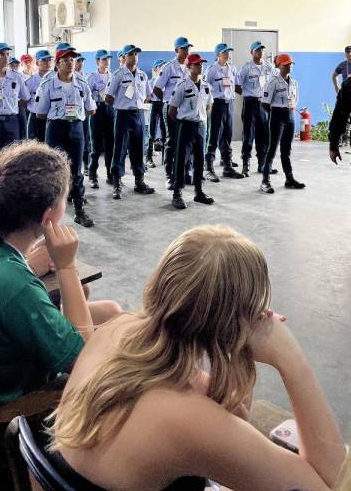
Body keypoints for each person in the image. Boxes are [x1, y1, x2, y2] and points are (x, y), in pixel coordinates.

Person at [48, 224, 345, 491]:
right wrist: (292, 361)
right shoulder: (194, 423)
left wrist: (235, 355)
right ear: (236, 322)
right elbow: (332, 482)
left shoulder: (120, 329)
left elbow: (231, 412)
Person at [0, 141, 120, 408]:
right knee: (121, 352)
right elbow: (83, 362)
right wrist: (66, 266)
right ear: (49, 214)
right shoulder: (15, 286)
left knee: (113, 312)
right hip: (17, 403)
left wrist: (30, 263)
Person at [36, 49, 96, 228]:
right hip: (56, 128)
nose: (71, 62)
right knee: (53, 169)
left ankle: (79, 210)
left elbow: (91, 109)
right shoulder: (48, 84)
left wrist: (76, 113)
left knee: (77, 170)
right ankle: (49, 213)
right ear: (57, 64)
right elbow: (40, 112)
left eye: (72, 59)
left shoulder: (82, 83)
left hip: (76, 128)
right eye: (66, 59)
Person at [106, 44, 154, 200]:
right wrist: (121, 104)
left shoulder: (142, 75)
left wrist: (139, 103)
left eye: (136, 54)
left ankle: (139, 181)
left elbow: (148, 95)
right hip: (123, 115)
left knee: (138, 149)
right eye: (131, 54)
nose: (135, 57)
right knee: (119, 149)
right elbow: (109, 97)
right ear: (124, 57)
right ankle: (117, 183)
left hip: (138, 114)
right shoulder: (118, 75)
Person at [168, 53, 214, 209]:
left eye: (201, 64)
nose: (200, 66)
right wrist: (183, 123)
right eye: (197, 64)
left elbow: (209, 105)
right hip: (185, 126)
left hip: (201, 126)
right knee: (182, 160)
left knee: (200, 160)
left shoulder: (206, 86)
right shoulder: (182, 85)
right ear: (189, 67)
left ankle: (198, 192)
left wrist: (200, 116)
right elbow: (172, 110)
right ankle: (177, 193)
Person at [260, 53, 305, 194]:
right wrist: (275, 113)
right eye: (286, 64)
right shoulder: (273, 82)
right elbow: (264, 103)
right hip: (277, 116)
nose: (289, 66)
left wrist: (288, 111)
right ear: (279, 66)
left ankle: (289, 178)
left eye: (290, 64)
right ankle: (265, 181)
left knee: (286, 150)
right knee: (272, 149)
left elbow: (295, 100)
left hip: (290, 116)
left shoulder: (294, 82)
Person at [153, 36, 192, 189]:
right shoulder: (169, 67)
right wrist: (168, 100)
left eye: (188, 48)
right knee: (172, 141)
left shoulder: (190, 66)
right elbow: (157, 88)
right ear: (176, 50)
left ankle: (185, 171)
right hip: (171, 109)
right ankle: (169, 174)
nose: (186, 51)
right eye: (183, 48)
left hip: (186, 109)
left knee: (186, 141)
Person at [206, 43, 244, 182]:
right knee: (213, 136)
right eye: (224, 52)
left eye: (228, 52)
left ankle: (227, 167)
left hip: (229, 105)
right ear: (218, 54)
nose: (227, 54)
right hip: (216, 105)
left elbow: (236, 86)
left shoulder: (232, 69)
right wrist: (208, 106)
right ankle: (208, 168)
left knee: (227, 136)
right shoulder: (212, 70)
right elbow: (205, 88)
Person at [236, 41, 275, 176]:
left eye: (262, 50)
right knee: (248, 136)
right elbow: (236, 84)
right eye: (257, 50)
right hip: (250, 104)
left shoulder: (269, 67)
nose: (260, 52)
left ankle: (262, 164)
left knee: (263, 136)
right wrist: (247, 94)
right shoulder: (246, 68)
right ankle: (245, 165)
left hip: (264, 104)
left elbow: (273, 83)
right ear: (251, 52)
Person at [87, 50, 114, 188]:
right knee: (95, 146)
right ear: (97, 61)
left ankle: (110, 174)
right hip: (96, 110)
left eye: (108, 59)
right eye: (104, 59)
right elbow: (87, 95)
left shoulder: (113, 76)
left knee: (110, 145)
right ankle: (92, 175)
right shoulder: (92, 77)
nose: (106, 61)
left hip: (110, 110)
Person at [26, 49, 53, 142]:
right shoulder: (31, 80)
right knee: (34, 146)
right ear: (37, 62)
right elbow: (24, 100)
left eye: (49, 60)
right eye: (44, 60)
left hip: (51, 117)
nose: (47, 62)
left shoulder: (56, 79)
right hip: (35, 118)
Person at [146, 59, 167, 169]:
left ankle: (165, 158)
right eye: (160, 66)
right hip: (154, 105)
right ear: (155, 69)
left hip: (163, 105)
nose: (162, 68)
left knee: (165, 132)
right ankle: (149, 158)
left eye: (164, 66)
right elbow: (147, 97)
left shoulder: (167, 80)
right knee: (152, 132)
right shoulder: (150, 82)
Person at [328, 76, 351, 164]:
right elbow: (339, 117)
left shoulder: (348, 84)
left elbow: (338, 117)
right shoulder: (348, 85)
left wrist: (333, 146)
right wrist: (333, 146)